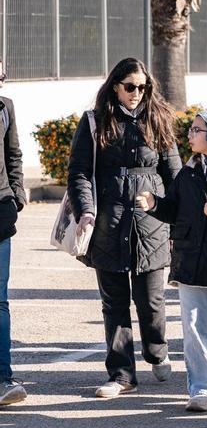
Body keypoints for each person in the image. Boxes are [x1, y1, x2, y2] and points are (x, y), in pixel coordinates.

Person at [68, 58, 182, 399]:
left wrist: (177, 220)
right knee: (113, 303)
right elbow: (79, 173)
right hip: (109, 222)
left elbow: (173, 173)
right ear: (115, 85)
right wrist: (85, 211)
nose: (136, 93)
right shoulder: (94, 122)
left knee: (151, 301)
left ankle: (156, 350)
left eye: (142, 87)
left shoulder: (159, 119)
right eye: (130, 86)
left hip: (152, 220)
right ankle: (121, 374)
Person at [137, 110, 207, 412]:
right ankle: (201, 388)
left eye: (197, 130)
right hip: (189, 261)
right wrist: (155, 204)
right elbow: (175, 210)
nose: (190, 134)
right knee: (194, 328)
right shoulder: (188, 172)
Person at [0, 65, 27, 407]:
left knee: (0, 300)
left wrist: (16, 195)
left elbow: (14, 155)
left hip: (0, 211)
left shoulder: (5, 107)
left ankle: (3, 378)